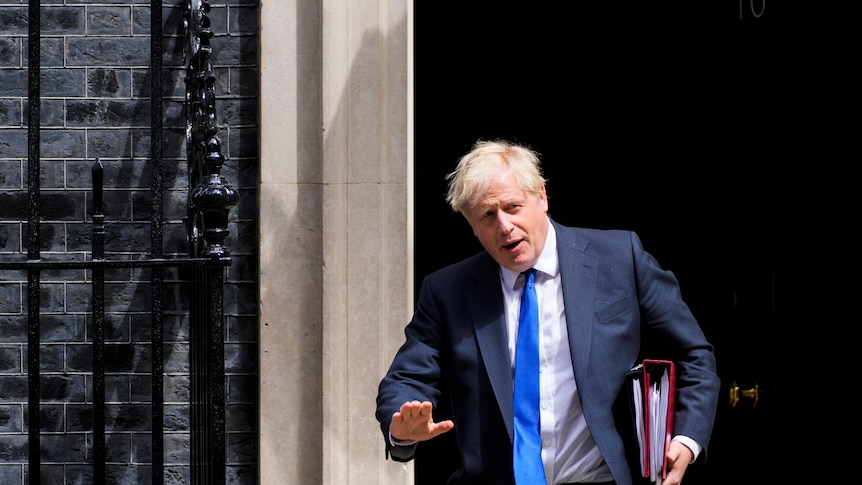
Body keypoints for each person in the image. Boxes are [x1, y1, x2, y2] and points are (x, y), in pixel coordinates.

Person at [375, 139, 720, 485]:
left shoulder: (619, 258)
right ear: (472, 225)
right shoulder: (447, 291)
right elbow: (407, 377)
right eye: (488, 216)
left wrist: (686, 441)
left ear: (541, 196)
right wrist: (402, 425)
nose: (505, 226)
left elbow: (693, 354)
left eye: (513, 206)